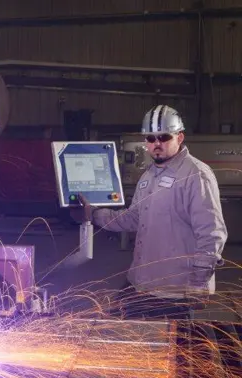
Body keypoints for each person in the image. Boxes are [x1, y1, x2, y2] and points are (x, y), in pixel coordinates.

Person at [73, 105, 227, 320]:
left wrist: (198, 285)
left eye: (164, 137)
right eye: (150, 138)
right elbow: (134, 218)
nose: (156, 144)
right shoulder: (149, 176)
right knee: (118, 330)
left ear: (179, 137)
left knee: (171, 349)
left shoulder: (195, 175)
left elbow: (211, 233)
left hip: (175, 289)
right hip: (142, 281)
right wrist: (95, 215)